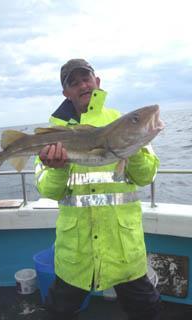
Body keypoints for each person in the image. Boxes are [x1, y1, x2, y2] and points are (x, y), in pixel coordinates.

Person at [35, 59, 161, 320]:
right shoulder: (53, 133)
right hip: (76, 252)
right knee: (58, 313)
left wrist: (133, 147)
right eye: (74, 82)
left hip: (123, 250)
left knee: (147, 311)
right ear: (66, 93)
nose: (83, 85)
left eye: (86, 78)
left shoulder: (121, 122)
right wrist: (58, 169)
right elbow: (48, 189)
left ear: (97, 82)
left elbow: (146, 176)